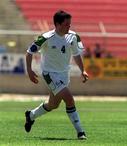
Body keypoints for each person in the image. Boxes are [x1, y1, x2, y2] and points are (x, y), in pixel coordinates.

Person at [25, 10, 89, 140]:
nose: (69, 27)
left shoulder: (73, 37)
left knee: (53, 104)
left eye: (70, 24)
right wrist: (30, 71)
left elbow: (76, 55)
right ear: (57, 24)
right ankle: (80, 132)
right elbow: (29, 52)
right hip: (50, 74)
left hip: (64, 74)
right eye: (66, 24)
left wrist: (82, 70)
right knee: (69, 98)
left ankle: (31, 115)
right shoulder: (46, 37)